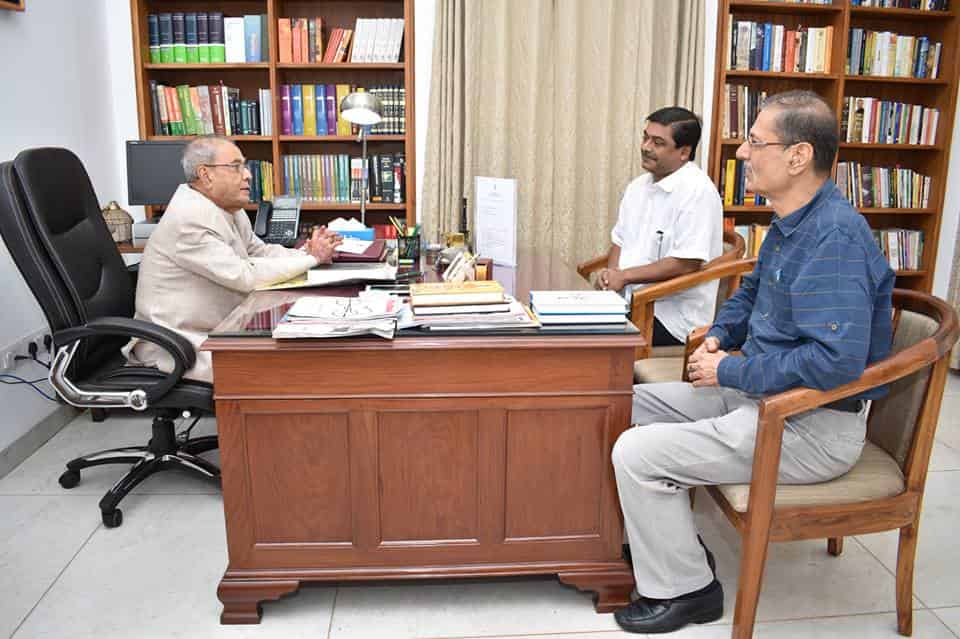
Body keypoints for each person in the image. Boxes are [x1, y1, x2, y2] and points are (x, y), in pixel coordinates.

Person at [611, 90, 895, 634]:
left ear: (798, 156)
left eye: (755, 141)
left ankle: (687, 590)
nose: (741, 153)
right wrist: (719, 335)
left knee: (638, 451)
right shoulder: (791, 224)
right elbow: (749, 295)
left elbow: (836, 363)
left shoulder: (834, 237)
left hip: (808, 425)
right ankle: (670, 547)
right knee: (615, 404)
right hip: (760, 397)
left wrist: (731, 370)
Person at [124, 136, 341, 383]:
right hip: (181, 344)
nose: (248, 174)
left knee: (306, 353)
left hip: (219, 328)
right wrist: (312, 259)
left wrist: (307, 252)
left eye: (244, 166)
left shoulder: (227, 209)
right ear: (206, 174)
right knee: (293, 370)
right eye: (236, 166)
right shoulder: (189, 219)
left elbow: (260, 252)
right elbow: (244, 276)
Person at [599, 107, 723, 346]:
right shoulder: (638, 186)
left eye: (657, 142)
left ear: (684, 152)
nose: (646, 147)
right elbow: (620, 241)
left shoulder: (698, 192)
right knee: (560, 325)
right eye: (645, 137)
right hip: (629, 302)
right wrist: (611, 281)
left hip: (670, 316)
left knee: (588, 343)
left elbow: (685, 263)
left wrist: (623, 277)